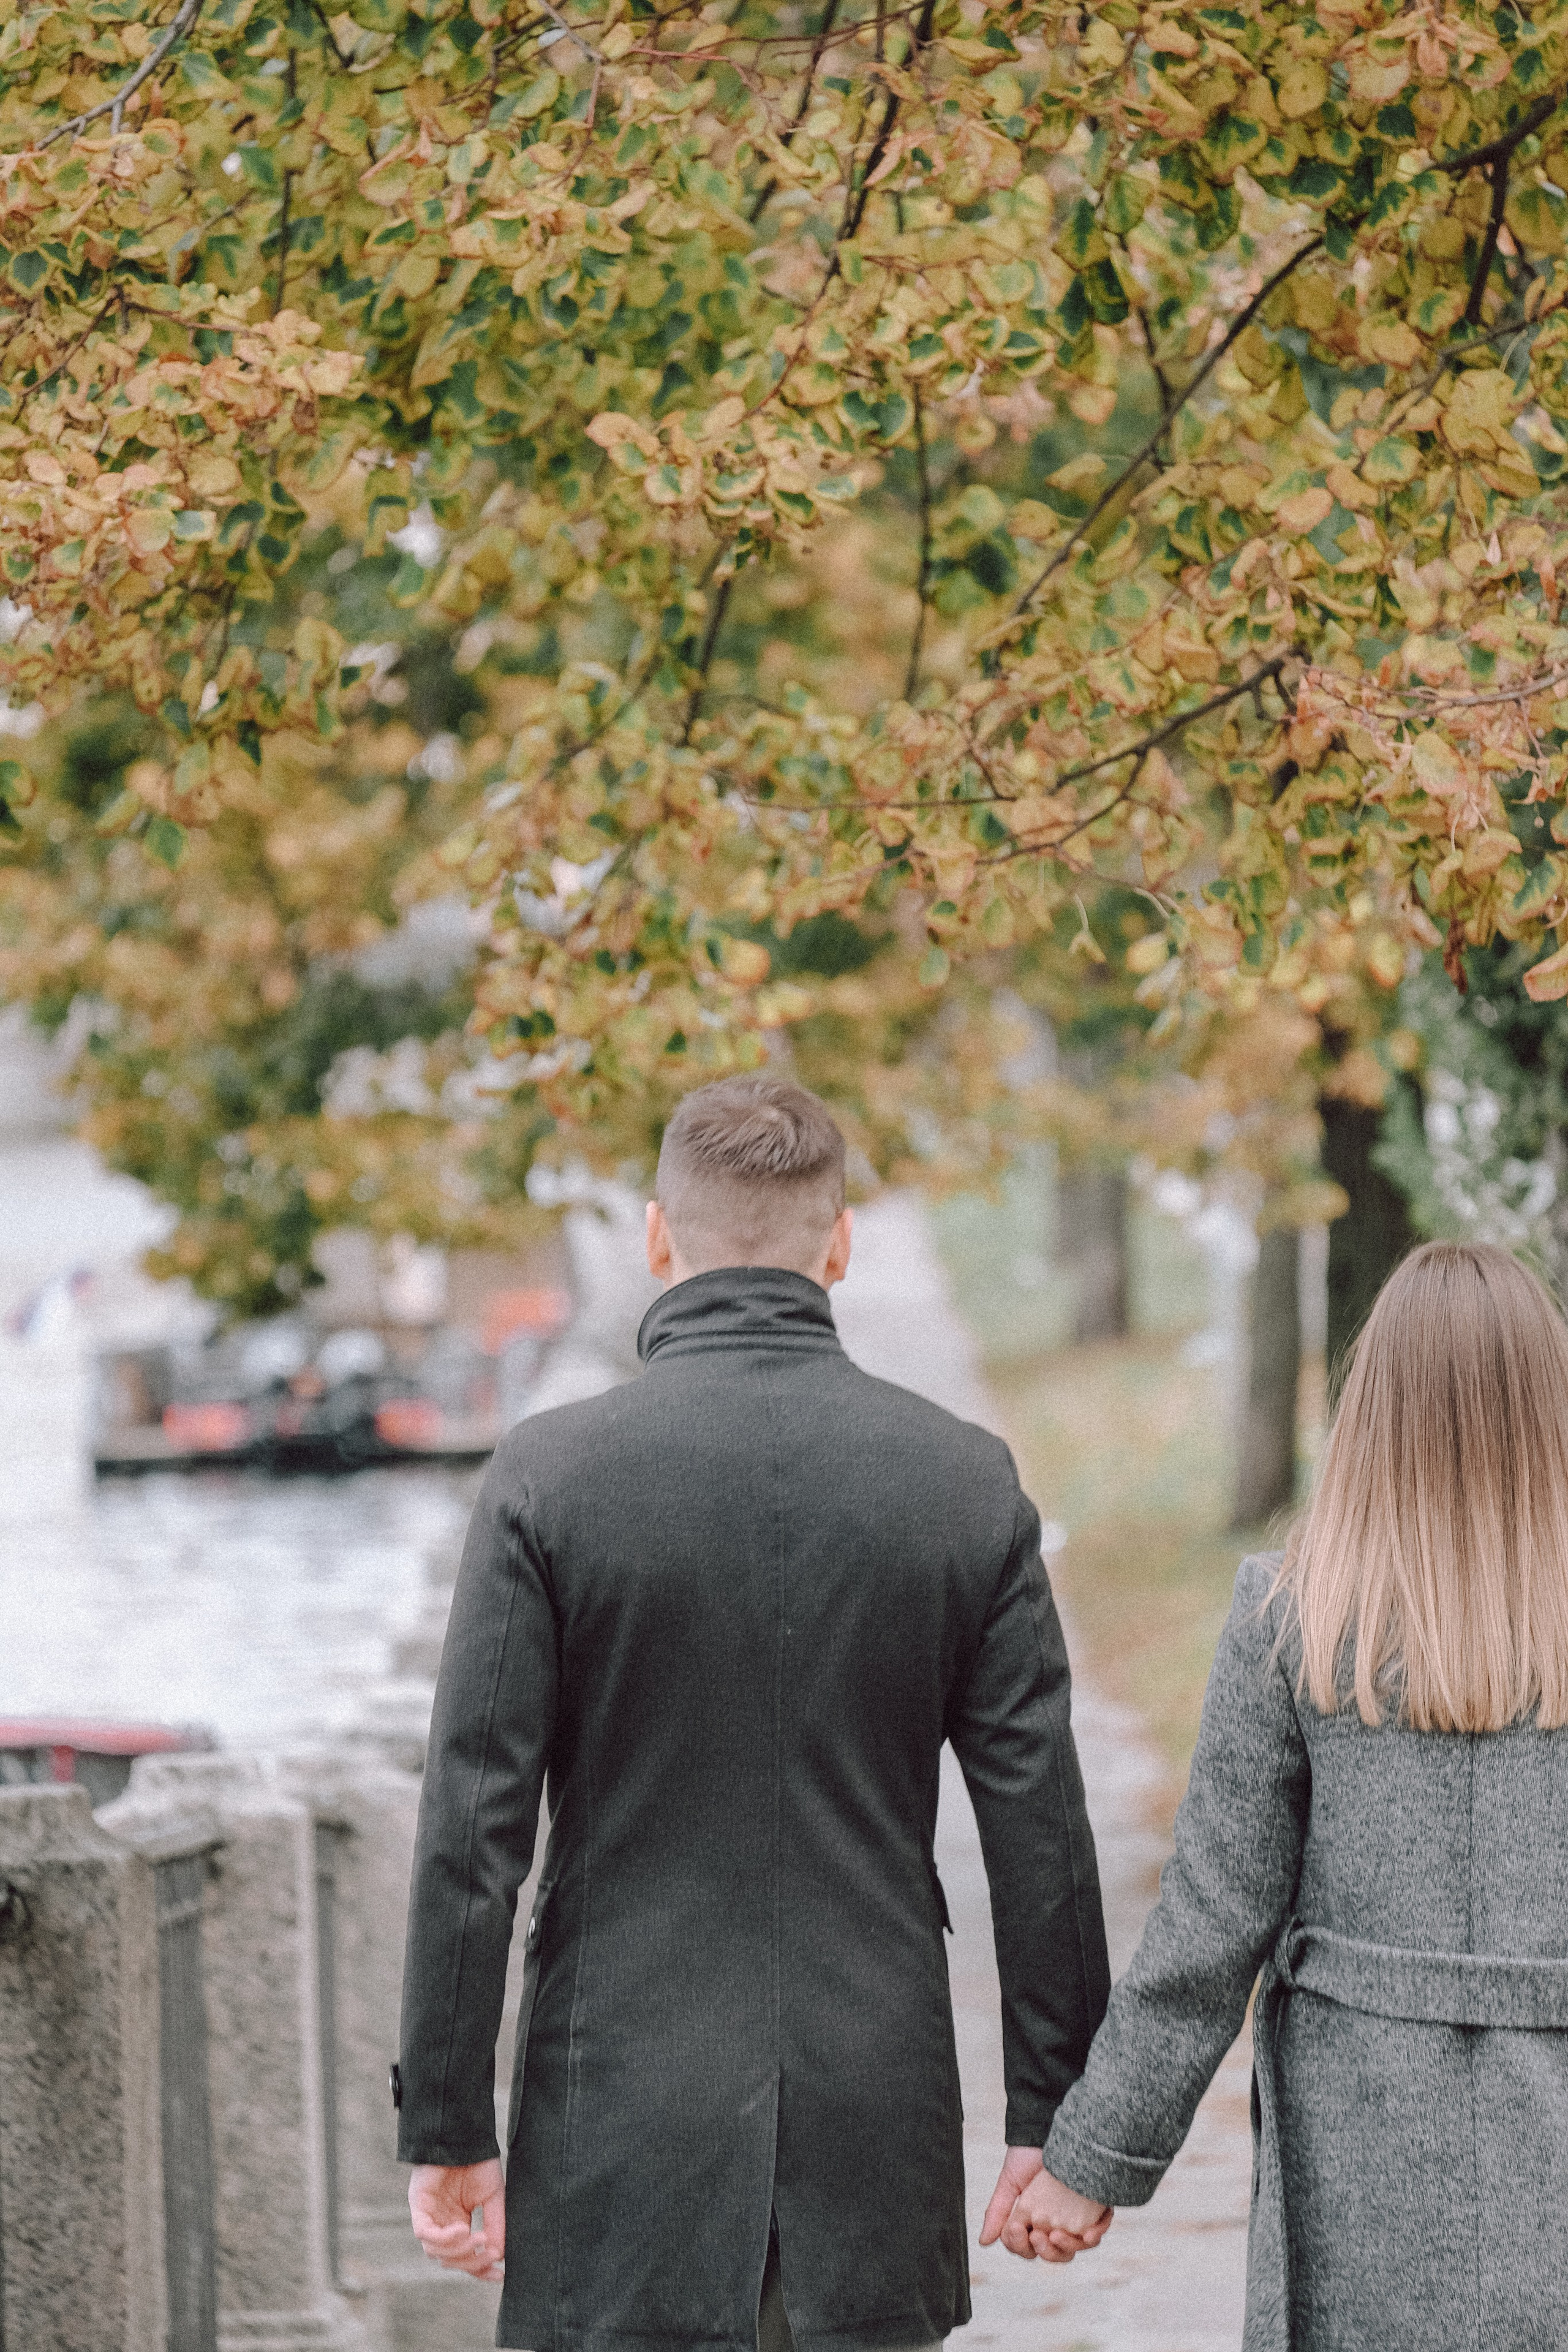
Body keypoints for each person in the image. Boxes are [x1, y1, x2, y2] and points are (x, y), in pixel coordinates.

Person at [394, 1073, 1112, 2352]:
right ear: (836, 1243)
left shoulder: (548, 1480)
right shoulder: (960, 1482)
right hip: (870, 2116)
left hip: (614, 2121)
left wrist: (449, 2125)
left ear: (656, 1236)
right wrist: (1057, 2115)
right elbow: (1039, 1836)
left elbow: (471, 1836)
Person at [989, 1238, 1568, 2348]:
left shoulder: (1295, 1619)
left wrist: (1088, 2165)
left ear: (1372, 1406)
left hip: (1367, 2139)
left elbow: (1211, 1928)